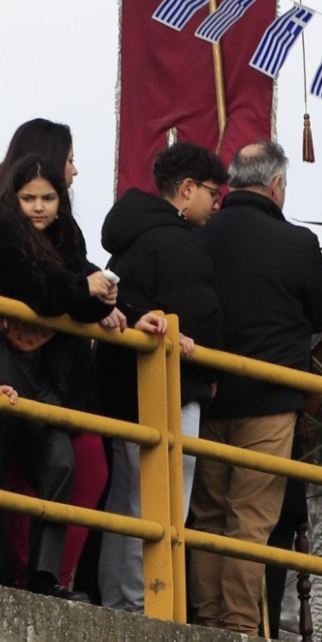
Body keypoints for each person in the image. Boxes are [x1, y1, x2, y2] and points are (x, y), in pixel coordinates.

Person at [0, 155, 124, 593]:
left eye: (48, 198)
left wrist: (104, 299)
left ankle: (44, 577)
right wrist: (84, 287)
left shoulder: (63, 239)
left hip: (41, 377)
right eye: (29, 198)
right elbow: (39, 292)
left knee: (59, 462)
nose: (40, 207)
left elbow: (71, 300)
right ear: (13, 197)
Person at [190, 140, 322, 632]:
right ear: (277, 185)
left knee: (208, 515)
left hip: (207, 396)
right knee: (250, 522)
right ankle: (238, 628)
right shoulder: (295, 243)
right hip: (269, 403)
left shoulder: (201, 235)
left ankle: (206, 620)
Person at [96, 139, 226, 613]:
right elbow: (203, 316)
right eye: (213, 192)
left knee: (127, 497)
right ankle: (143, 604)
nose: (216, 203)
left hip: (120, 386)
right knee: (165, 500)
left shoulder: (130, 237)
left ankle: (121, 597)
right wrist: (211, 365)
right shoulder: (180, 243)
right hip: (171, 388)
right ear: (187, 188)